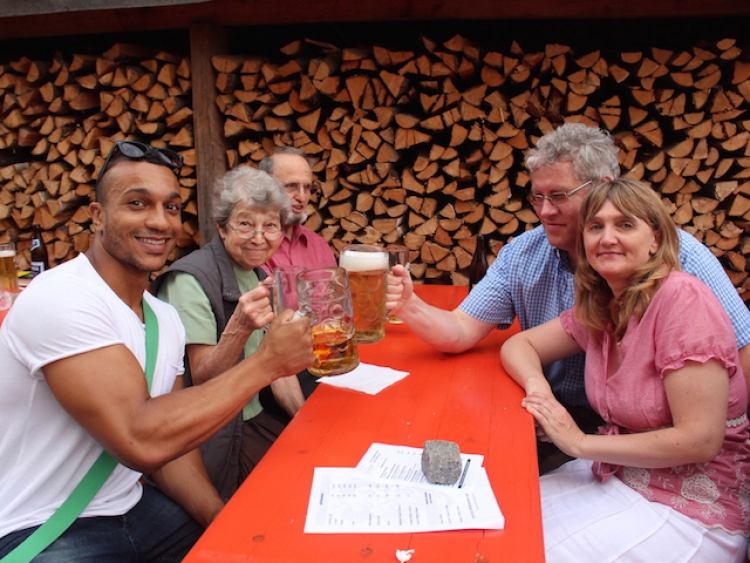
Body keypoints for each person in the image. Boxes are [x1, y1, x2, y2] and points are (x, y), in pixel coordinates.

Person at [0, 141, 314, 561]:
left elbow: (172, 449)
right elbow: (140, 439)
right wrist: (266, 363)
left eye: (171, 207)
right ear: (98, 216)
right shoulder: (61, 297)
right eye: (137, 203)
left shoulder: (162, 316)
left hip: (135, 507)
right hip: (44, 524)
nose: (159, 221)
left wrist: (221, 522)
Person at [387, 122, 750, 474]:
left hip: (649, 439)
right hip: (559, 419)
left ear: (603, 188)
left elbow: (742, 358)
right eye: (538, 197)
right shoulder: (530, 256)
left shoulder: (680, 264)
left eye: (559, 196)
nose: (544, 211)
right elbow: (461, 329)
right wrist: (411, 306)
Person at [500, 178, 750, 562]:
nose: (608, 237)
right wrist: (543, 397)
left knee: (525, 552)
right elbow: (520, 344)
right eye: (596, 226)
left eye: (625, 225)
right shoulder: (605, 305)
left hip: (691, 510)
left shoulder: (681, 299)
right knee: (500, 519)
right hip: (619, 474)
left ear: (655, 239)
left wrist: (577, 442)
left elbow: (700, 439)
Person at [154, 165, 308, 499]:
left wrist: (305, 421)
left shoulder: (254, 273)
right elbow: (203, 377)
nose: (259, 237)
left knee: (314, 463)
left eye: (270, 226)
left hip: (250, 415)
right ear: (222, 228)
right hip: (216, 434)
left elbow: (276, 366)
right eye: (245, 224)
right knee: (286, 497)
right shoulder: (190, 281)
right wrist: (238, 327)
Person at [257, 147, 337, 418]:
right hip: (273, 379)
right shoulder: (252, 248)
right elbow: (266, 339)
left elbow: (335, 315)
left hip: (327, 364)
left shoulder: (318, 245)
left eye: (307, 187)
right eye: (290, 186)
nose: (301, 197)